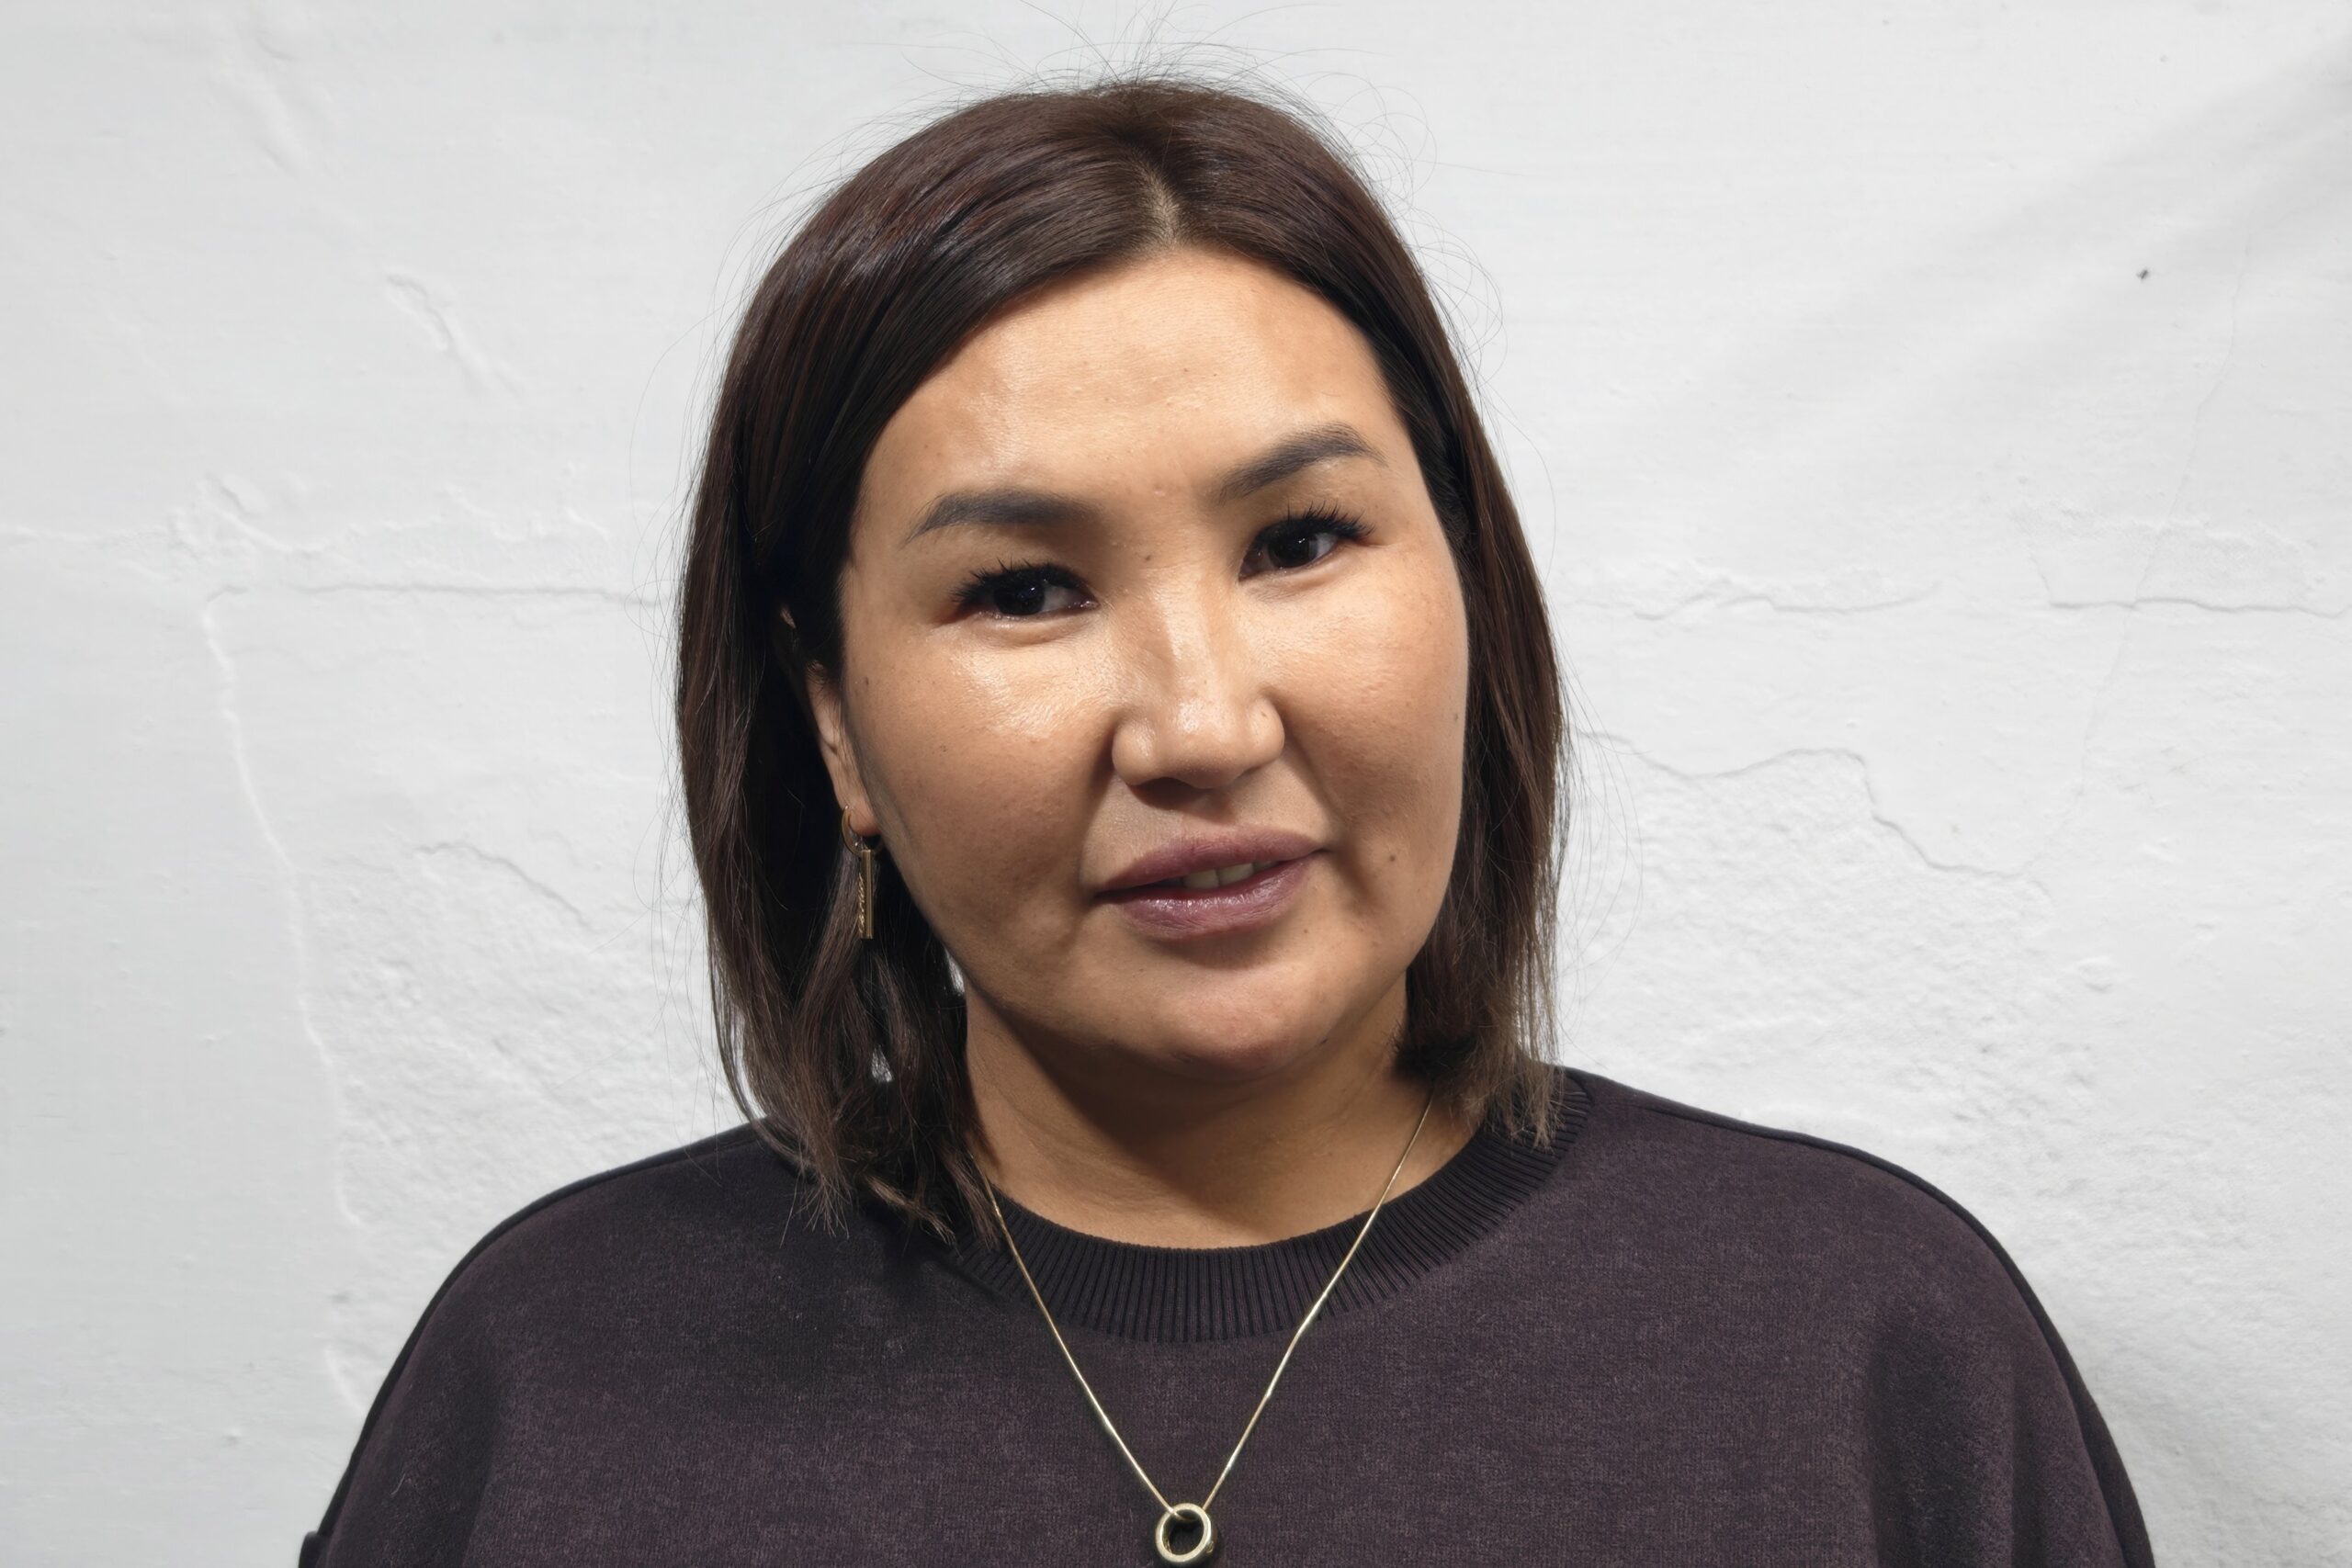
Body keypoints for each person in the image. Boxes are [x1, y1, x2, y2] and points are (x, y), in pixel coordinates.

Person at [300, 73, 2155, 1566]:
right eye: (1024, 589)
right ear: (834, 725)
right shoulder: (554, 1376)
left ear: (1468, 591)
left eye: (1299, 541)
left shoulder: (1861, 1352)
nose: (1200, 723)